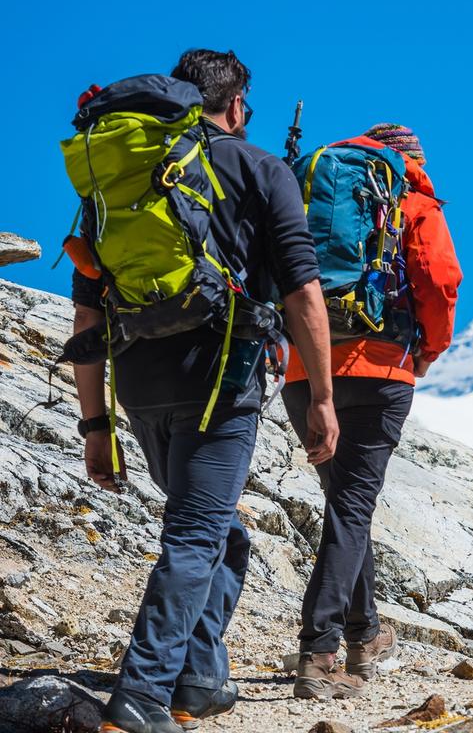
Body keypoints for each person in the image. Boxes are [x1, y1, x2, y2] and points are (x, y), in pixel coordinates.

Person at [70, 49, 338, 733]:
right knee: (195, 536)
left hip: (138, 379)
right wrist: (324, 400)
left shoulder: (124, 176)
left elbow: (88, 311)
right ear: (238, 105)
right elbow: (304, 290)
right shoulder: (260, 168)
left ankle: (198, 680)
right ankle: (142, 697)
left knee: (224, 535)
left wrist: (96, 426)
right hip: (218, 378)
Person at [285, 123, 462, 699]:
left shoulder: (308, 192)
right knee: (353, 507)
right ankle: (319, 650)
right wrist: (429, 351)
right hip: (381, 369)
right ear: (409, 159)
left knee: (343, 504)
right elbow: (438, 278)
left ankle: (364, 633)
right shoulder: (408, 198)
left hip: (304, 373)